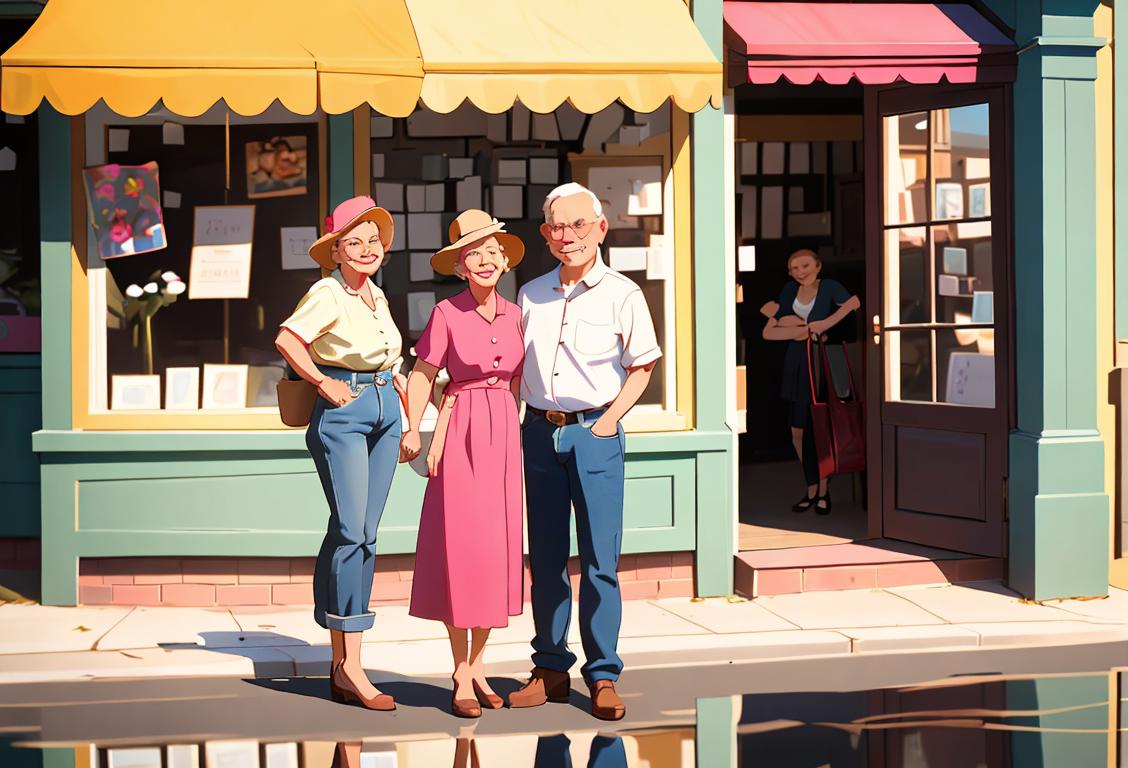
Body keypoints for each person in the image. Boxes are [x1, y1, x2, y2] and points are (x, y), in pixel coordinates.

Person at [508, 182, 661, 721]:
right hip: (539, 435)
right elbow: (513, 371)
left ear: (601, 228)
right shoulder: (530, 294)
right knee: (545, 557)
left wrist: (608, 423)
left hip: (595, 431)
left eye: (578, 225)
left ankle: (602, 674)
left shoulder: (624, 293)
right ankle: (549, 668)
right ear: (546, 235)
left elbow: (642, 366)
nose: (567, 236)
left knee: (600, 560)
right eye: (556, 226)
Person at [275, 195, 406, 711]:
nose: (368, 249)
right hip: (345, 412)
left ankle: (339, 661)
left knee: (363, 534)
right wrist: (323, 382)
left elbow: (387, 353)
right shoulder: (327, 292)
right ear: (336, 251)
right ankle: (350, 665)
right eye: (355, 242)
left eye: (374, 239)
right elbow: (288, 340)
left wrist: (399, 388)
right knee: (353, 530)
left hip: (385, 411)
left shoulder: (378, 295)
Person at [399, 210, 526, 719]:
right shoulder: (446, 314)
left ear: (503, 261)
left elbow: (520, 380)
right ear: (460, 265)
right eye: (473, 254)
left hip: (504, 437)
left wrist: (514, 419)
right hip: (461, 432)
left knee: (496, 550)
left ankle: (477, 667)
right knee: (462, 548)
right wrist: (415, 426)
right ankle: (459, 668)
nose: (485, 260)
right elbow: (422, 375)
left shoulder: (518, 314)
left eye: (492, 252)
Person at [760, 249, 860, 514]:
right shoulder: (788, 291)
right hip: (796, 363)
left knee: (820, 428)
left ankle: (822, 491)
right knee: (798, 431)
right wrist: (805, 330)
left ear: (817, 266)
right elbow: (769, 332)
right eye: (794, 268)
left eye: (805, 265)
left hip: (821, 362)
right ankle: (811, 485)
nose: (800, 271)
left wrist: (823, 324)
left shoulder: (830, 287)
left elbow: (853, 304)